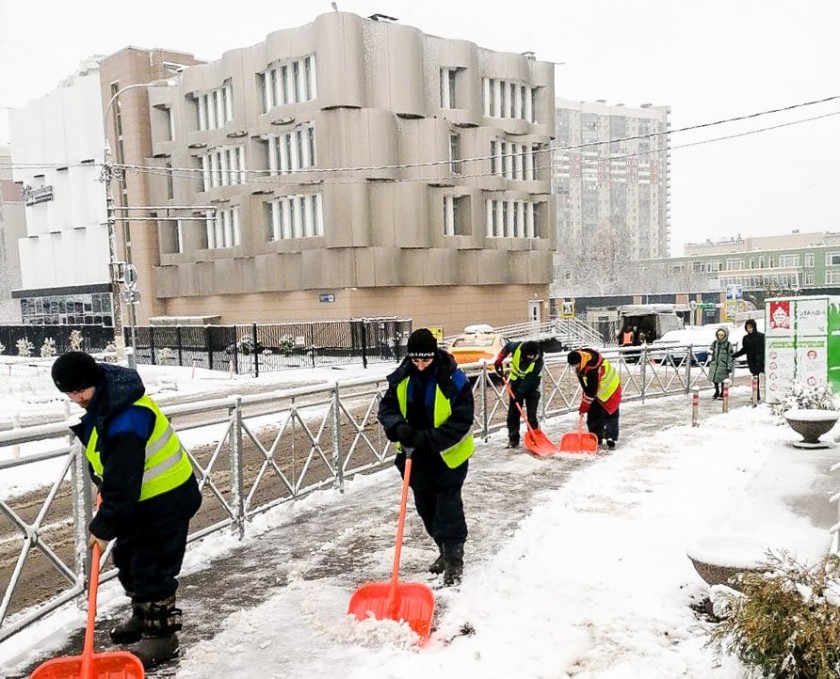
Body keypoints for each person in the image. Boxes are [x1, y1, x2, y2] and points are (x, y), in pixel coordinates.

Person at [51, 352, 202, 668]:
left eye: (81, 390)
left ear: (94, 380)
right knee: (128, 559)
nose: (77, 397)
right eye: (70, 393)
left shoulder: (126, 416)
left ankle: (162, 636)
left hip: (166, 499)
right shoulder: (105, 400)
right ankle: (142, 615)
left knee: (152, 567)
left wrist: (103, 526)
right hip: (142, 500)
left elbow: (124, 478)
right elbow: (108, 460)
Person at [378, 328, 475, 586]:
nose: (420, 366)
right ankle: (443, 549)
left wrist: (428, 439)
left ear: (434, 355)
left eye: (426, 360)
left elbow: (462, 420)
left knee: (448, 507)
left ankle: (455, 559)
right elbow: (386, 408)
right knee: (426, 507)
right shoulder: (402, 377)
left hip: (447, 456)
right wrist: (397, 427)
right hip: (413, 457)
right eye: (415, 360)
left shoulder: (453, 379)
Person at [567, 348, 622, 449]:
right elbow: (587, 387)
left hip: (611, 389)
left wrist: (584, 406)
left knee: (610, 414)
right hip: (597, 390)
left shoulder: (592, 368)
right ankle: (596, 437)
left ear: (580, 361)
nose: (575, 367)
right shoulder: (582, 362)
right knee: (593, 413)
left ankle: (611, 437)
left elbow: (591, 391)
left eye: (576, 365)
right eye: (573, 366)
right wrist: (586, 400)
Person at [493, 340, 543, 448]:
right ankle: (513, 439)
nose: (530, 358)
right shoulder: (517, 347)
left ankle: (534, 438)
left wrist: (520, 393)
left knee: (531, 416)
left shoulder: (538, 362)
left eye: (532, 356)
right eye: (528, 356)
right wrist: (499, 360)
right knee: (513, 414)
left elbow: (530, 379)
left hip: (532, 388)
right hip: (515, 385)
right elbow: (507, 347)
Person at [733, 319, 765, 401]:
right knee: (755, 378)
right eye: (747, 327)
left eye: (751, 327)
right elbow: (744, 349)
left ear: (754, 327)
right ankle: (756, 395)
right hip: (752, 361)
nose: (749, 329)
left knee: (768, 377)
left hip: (762, 360)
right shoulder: (746, 338)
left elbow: (766, 348)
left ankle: (770, 394)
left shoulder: (761, 336)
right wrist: (734, 355)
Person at [708, 327, 734, 399]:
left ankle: (722, 392)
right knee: (714, 379)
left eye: (722, 335)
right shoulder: (715, 343)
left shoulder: (728, 344)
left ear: (725, 335)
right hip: (715, 364)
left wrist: (729, 366)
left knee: (723, 380)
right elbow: (711, 352)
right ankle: (716, 391)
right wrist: (710, 360)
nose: (720, 336)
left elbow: (730, 356)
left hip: (723, 364)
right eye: (719, 334)